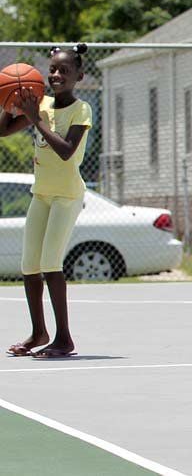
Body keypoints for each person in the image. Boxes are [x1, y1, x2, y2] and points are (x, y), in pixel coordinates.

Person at [2, 44, 92, 358]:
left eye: (63, 71)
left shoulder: (80, 110)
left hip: (67, 195)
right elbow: (3, 130)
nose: (55, 75)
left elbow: (67, 151)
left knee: (51, 264)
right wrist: (10, 102)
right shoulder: (42, 105)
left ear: (78, 76)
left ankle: (64, 338)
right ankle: (38, 331)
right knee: (29, 266)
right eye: (52, 69)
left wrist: (34, 119)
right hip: (41, 194)